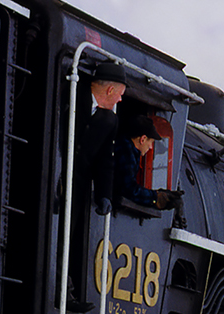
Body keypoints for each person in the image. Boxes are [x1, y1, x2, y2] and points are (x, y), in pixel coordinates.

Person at [114, 115, 185, 226]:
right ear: (142, 139)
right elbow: (128, 189)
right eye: (150, 142)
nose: (151, 147)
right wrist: (156, 198)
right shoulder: (126, 152)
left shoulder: (127, 148)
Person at [79, 60, 127, 216]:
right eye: (120, 95)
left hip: (76, 188)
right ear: (110, 90)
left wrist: (104, 195)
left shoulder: (110, 121)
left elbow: (105, 159)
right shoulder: (73, 94)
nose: (120, 100)